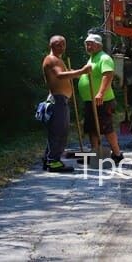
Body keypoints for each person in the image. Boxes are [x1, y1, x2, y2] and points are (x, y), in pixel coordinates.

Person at [42, 35, 91, 172]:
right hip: (57, 100)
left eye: (63, 44)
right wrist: (81, 72)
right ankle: (54, 162)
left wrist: (72, 71)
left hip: (61, 100)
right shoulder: (51, 59)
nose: (61, 47)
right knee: (59, 132)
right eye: (58, 44)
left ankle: (48, 159)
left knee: (57, 131)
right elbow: (59, 75)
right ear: (51, 45)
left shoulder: (58, 60)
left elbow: (64, 73)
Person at [78, 33, 124, 164]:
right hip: (90, 101)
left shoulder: (104, 58)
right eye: (86, 44)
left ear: (98, 45)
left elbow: (108, 75)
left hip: (102, 100)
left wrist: (100, 93)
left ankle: (117, 154)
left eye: (90, 44)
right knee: (92, 128)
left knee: (106, 128)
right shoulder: (92, 58)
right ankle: (95, 155)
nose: (88, 46)